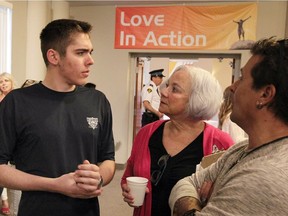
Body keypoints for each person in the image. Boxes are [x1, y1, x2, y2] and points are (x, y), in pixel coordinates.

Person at [0, 19, 115, 216]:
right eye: (80, 53)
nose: (90, 60)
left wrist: (99, 178)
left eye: (90, 52)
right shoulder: (16, 102)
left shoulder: (98, 101)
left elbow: (108, 160)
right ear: (53, 56)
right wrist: (54, 185)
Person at [169, 37, 288, 216]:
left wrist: (201, 204)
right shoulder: (241, 150)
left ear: (265, 94)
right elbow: (185, 184)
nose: (232, 87)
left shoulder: (264, 177)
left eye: (241, 78)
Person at [121, 65, 234, 216]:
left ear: (197, 99)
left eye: (174, 89)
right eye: (167, 85)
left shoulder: (220, 143)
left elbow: (232, 197)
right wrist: (128, 189)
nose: (163, 91)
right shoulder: (146, 134)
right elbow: (129, 175)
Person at [0, 72, 16, 215]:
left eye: (6, 80)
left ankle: (5, 200)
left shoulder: (16, 99)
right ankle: (4, 200)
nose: (3, 83)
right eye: (1, 81)